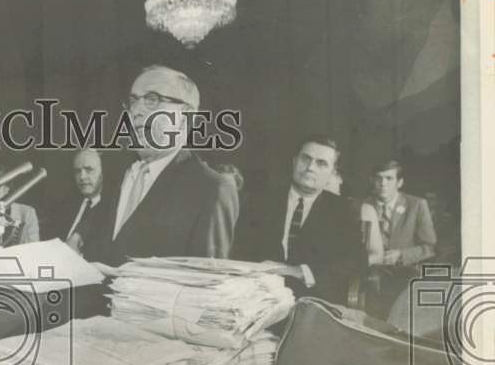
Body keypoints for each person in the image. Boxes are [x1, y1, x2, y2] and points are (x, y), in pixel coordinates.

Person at [82, 65, 238, 266]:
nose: (136, 111)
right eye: (132, 101)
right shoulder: (117, 174)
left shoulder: (211, 188)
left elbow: (203, 285)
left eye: (152, 100)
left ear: (186, 118)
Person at [233, 135, 363, 305]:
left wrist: (300, 272)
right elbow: (239, 252)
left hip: (314, 303)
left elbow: (356, 262)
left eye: (321, 163)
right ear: (294, 162)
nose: (310, 167)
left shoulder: (343, 210)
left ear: (332, 172)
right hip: (258, 298)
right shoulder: (259, 201)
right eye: (305, 159)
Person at [364, 160, 436, 268]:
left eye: (389, 178)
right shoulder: (363, 206)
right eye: (379, 178)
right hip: (370, 272)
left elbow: (430, 248)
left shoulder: (417, 205)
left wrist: (401, 255)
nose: (383, 183)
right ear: (372, 181)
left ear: (399, 183)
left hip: (404, 274)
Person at [65, 149, 106, 256]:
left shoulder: (112, 209)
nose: (82, 177)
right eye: (78, 171)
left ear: (103, 172)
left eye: (89, 170)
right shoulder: (65, 207)